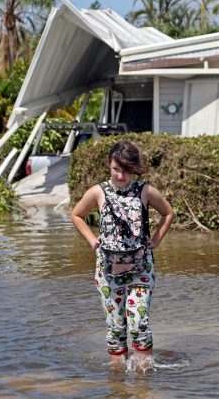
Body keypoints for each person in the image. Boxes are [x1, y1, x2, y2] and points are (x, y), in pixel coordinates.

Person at [70, 141, 175, 369]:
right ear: (109, 164)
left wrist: (156, 240)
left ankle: (143, 376)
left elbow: (168, 213)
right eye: (117, 168)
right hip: (108, 271)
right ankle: (117, 380)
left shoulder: (144, 191)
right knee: (116, 326)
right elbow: (77, 215)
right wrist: (92, 240)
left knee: (138, 323)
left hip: (141, 269)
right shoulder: (98, 191)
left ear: (135, 168)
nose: (121, 175)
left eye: (127, 170)